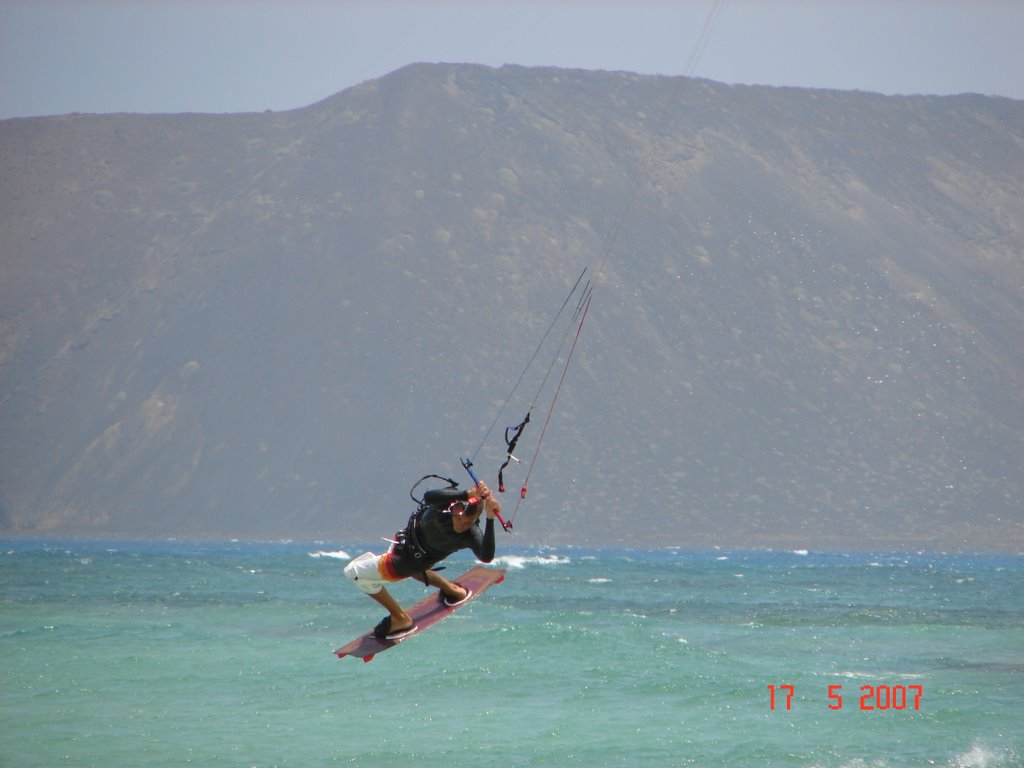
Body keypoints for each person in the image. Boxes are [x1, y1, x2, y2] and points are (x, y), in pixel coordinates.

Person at [344, 480, 502, 639]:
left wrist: (490, 518)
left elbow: (486, 556)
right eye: (459, 518)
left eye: (468, 522)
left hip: (401, 562)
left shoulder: (470, 534)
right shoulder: (443, 508)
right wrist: (468, 493)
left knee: (352, 572)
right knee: (416, 570)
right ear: (454, 508)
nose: (461, 525)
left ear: (475, 520)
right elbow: (428, 497)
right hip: (408, 549)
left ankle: (400, 618)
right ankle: (453, 591)